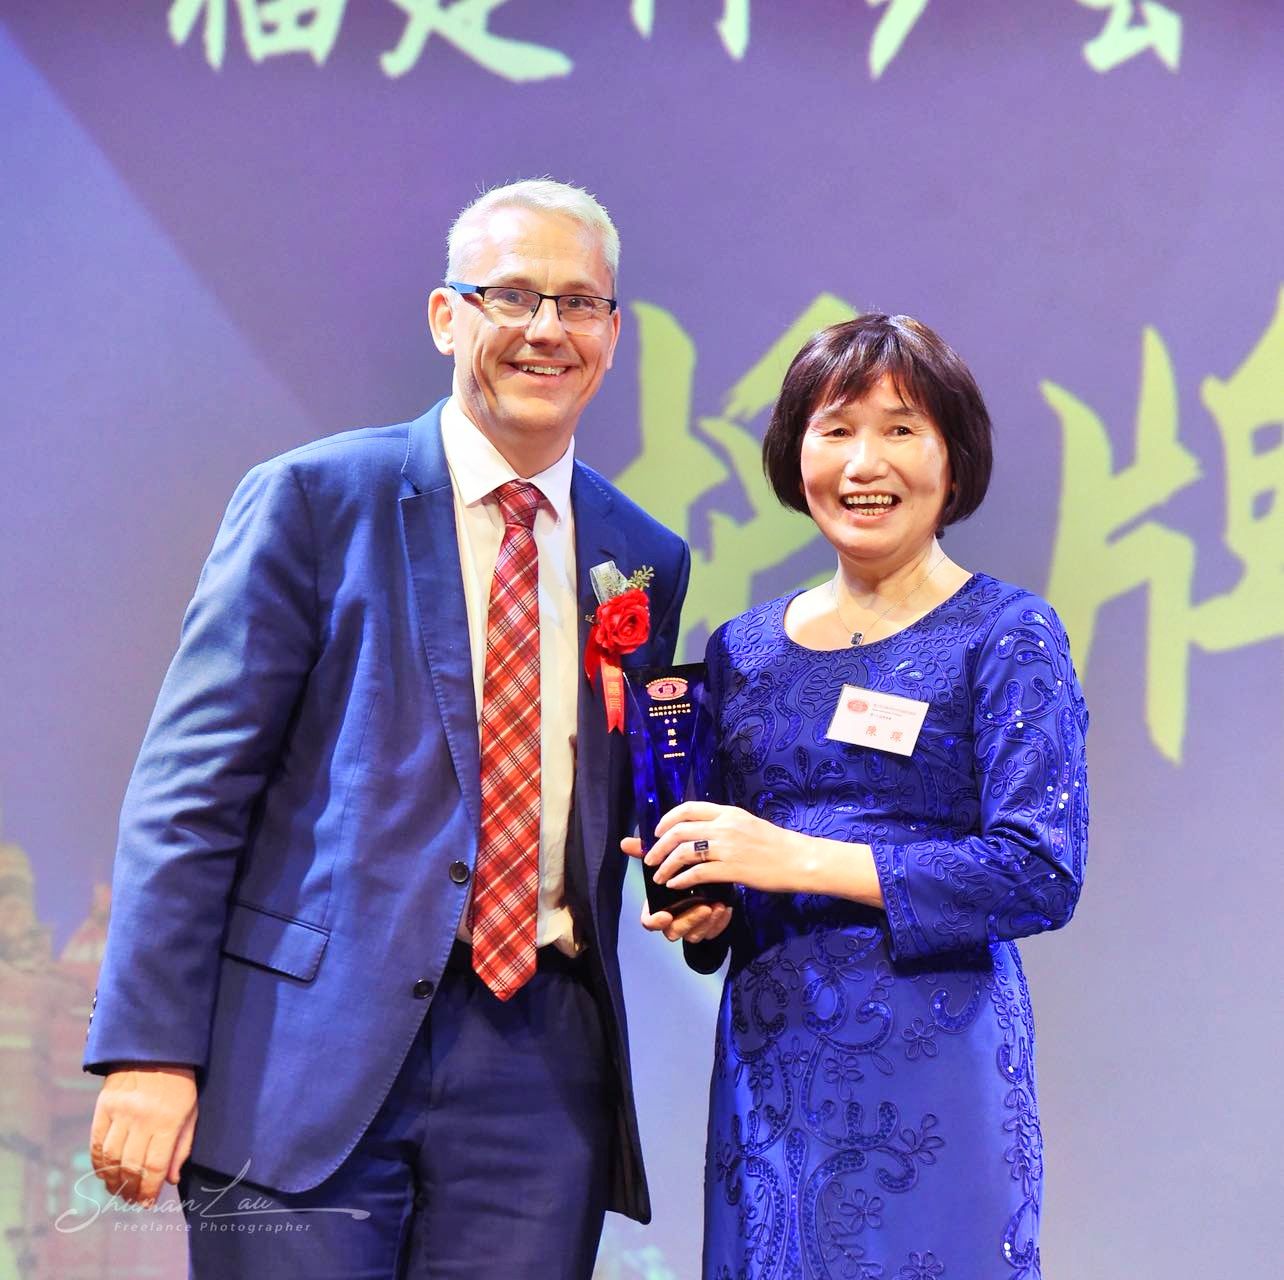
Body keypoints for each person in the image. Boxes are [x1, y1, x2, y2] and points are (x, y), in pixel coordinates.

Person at [84, 178, 691, 1279]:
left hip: (540, 1067)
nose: (547, 328)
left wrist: (702, 885)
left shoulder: (642, 555)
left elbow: (632, 789)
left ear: (612, 336)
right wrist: (150, 1050)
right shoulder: (317, 499)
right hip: (304, 1051)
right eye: (512, 295)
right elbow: (192, 793)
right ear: (446, 316)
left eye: (578, 303)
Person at [628, 314, 1088, 1278]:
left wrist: (795, 858)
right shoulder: (744, 650)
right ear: (795, 456)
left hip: (934, 1068)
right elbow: (742, 883)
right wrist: (709, 904)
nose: (863, 462)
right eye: (835, 430)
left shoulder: (1007, 633)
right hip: (771, 1069)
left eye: (901, 429)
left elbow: (1038, 871)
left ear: (954, 461)